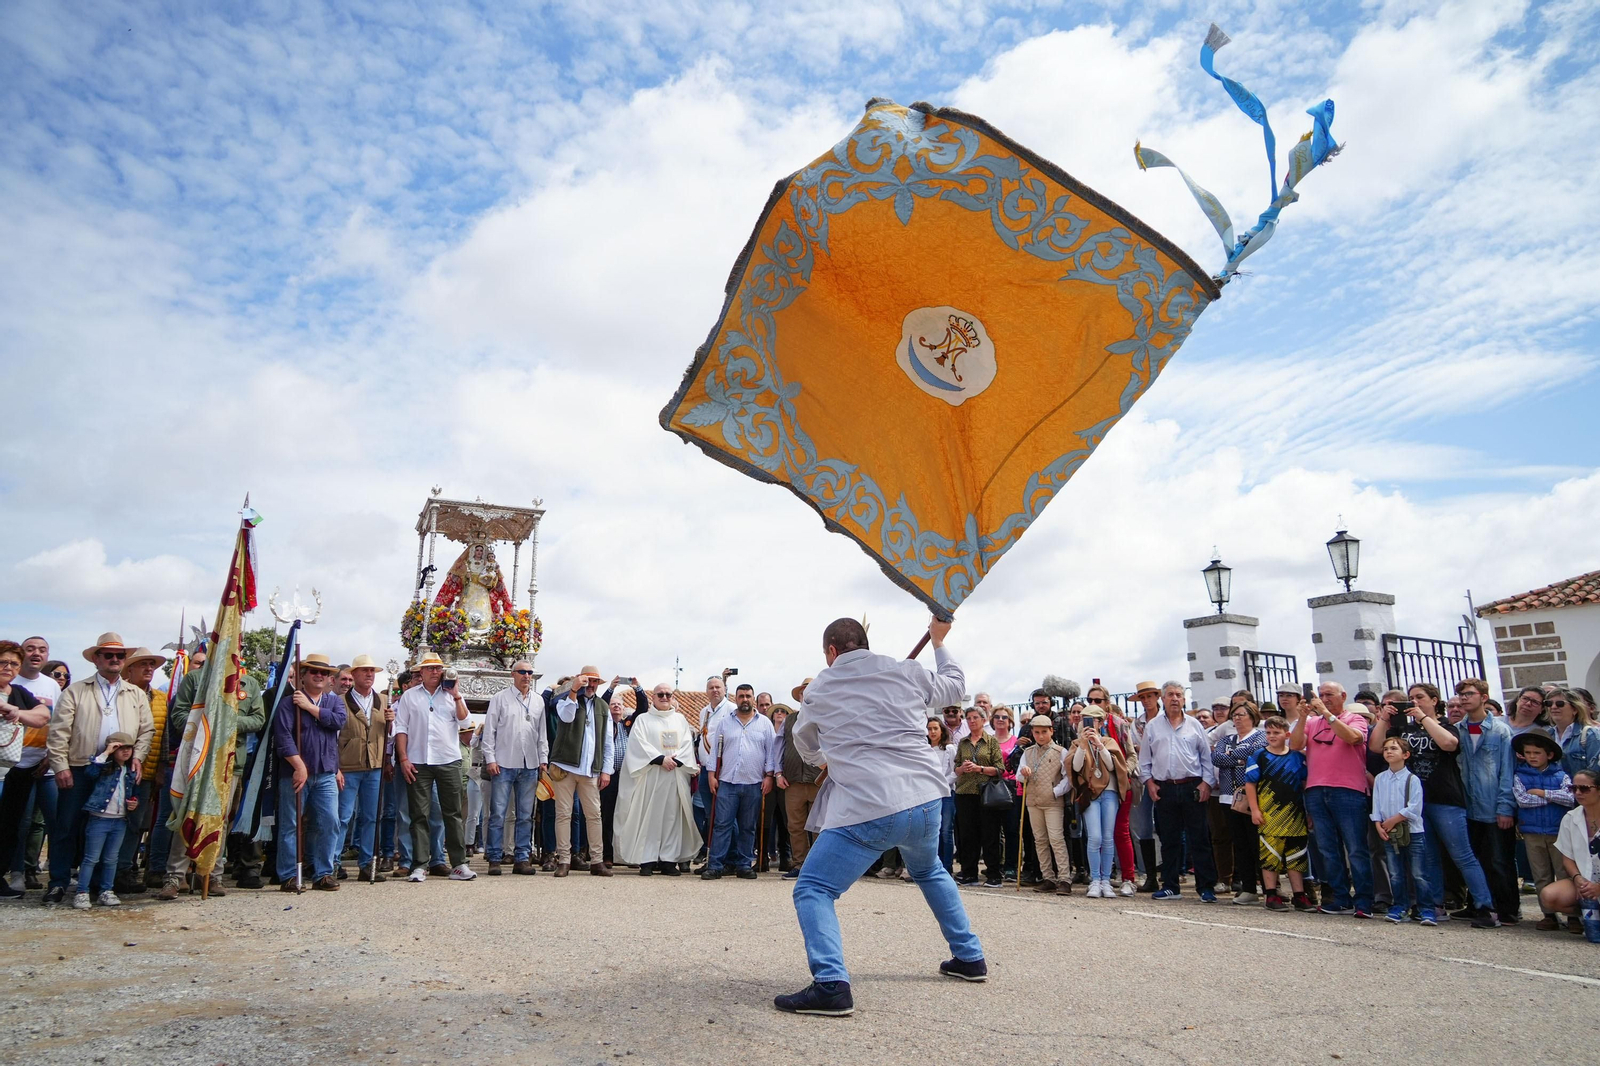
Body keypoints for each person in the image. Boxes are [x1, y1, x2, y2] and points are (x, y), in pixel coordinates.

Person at [775, 616, 984, 1017]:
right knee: (931, 872)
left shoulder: (819, 687)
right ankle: (969, 957)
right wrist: (939, 642)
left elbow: (805, 743)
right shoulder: (904, 670)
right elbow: (955, 686)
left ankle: (831, 985)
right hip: (925, 801)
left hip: (868, 806)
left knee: (813, 889)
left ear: (831, 651)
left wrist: (828, 760)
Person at [1369, 684, 1499, 928]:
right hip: (1413, 804)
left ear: (1434, 700)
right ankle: (1434, 904)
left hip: (1444, 799)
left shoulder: (1447, 725)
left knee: (1462, 854)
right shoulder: (1403, 729)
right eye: (1411, 698)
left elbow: (1449, 744)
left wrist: (1424, 718)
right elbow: (1376, 747)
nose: (1414, 702)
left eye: (1420, 697)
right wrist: (1384, 720)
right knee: (1428, 858)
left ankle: (1485, 907)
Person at [44, 632, 154, 905]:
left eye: (119, 655)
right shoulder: (76, 690)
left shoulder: (136, 694)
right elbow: (58, 732)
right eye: (109, 655)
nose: (115, 659)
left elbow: (146, 730)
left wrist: (138, 757)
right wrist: (60, 765)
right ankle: (58, 882)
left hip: (117, 771)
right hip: (81, 766)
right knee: (67, 826)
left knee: (111, 827)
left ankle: (96, 886)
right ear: (96, 659)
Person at [1290, 682, 1373, 918]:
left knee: (1356, 848)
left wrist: (1326, 713)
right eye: (1321, 695)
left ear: (1343, 696)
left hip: (1348, 790)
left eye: (1329, 695)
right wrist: (1303, 717)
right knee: (1328, 849)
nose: (1324, 698)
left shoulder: (1354, 718)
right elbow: (1295, 745)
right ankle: (1340, 897)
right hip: (1317, 790)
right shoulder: (1313, 722)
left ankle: (1364, 900)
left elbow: (1354, 738)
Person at [393, 652, 476, 883]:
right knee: (419, 814)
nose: (435, 672)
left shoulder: (451, 695)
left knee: (453, 813)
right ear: (420, 672)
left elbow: (465, 722)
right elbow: (401, 728)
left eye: (438, 668)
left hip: (448, 759)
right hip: (418, 760)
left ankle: (459, 864)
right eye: (429, 668)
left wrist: (457, 695)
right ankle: (419, 865)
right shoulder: (409, 696)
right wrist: (403, 759)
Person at [271, 653, 347, 892]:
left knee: (330, 821)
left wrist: (310, 709)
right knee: (291, 824)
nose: (319, 676)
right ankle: (289, 875)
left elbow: (338, 722)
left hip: (325, 773)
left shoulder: (333, 702)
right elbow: (283, 738)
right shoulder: (287, 703)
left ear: (328, 679)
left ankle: (323, 873)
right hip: (295, 773)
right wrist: (299, 766)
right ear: (302, 676)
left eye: (324, 673)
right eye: (314, 671)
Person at [1139, 680, 1218, 902]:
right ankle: (1171, 886)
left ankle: (1206, 887)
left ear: (1184, 699)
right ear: (1163, 699)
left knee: (1199, 839)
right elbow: (1144, 760)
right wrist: (1150, 784)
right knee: (1169, 839)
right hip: (1165, 789)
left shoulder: (1195, 725)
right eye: (1171, 694)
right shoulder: (1153, 727)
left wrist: (1206, 783)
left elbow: (1206, 759)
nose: (1175, 698)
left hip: (1193, 787)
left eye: (1179, 695)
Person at [613, 682, 700, 875]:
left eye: (668, 694)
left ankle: (669, 860)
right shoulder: (643, 720)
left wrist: (675, 761)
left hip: (674, 776)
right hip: (651, 775)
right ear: (653, 697)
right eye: (660, 694)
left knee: (672, 818)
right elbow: (637, 743)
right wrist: (660, 759)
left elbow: (687, 743)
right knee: (649, 818)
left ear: (672, 697)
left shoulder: (680, 719)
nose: (664, 698)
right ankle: (647, 860)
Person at [1454, 678, 1519, 923]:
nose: (1464, 698)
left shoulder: (1500, 731)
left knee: (1499, 860)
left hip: (1493, 805)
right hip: (1467, 806)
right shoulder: (1458, 729)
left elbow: (1507, 772)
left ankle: (1507, 908)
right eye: (1461, 694)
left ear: (1483, 697)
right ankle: (1478, 904)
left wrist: (1505, 807)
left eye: (1469, 694)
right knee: (1474, 857)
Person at [481, 660, 548, 876]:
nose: (526, 676)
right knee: (498, 814)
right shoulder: (500, 698)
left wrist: (543, 759)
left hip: (529, 764)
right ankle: (494, 857)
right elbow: (489, 731)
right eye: (522, 672)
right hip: (503, 763)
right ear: (513, 674)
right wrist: (490, 758)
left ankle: (522, 858)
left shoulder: (538, 702)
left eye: (529, 672)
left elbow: (542, 734)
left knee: (525, 815)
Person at [702, 683, 775, 879]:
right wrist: (711, 774)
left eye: (748, 696)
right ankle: (715, 865)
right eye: (741, 696)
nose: (744, 699)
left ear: (753, 699)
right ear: (736, 698)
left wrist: (769, 776)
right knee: (722, 825)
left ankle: (744, 865)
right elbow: (715, 752)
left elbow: (772, 752)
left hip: (754, 783)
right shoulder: (725, 722)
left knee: (748, 826)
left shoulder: (765, 724)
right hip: (727, 782)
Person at [110, 647, 168, 895]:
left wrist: (160, 769)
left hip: (146, 771)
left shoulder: (162, 699)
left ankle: (124, 870)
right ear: (128, 669)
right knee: (108, 821)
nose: (149, 669)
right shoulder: (118, 695)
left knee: (135, 824)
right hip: (114, 770)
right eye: (143, 664)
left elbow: (164, 736)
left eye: (152, 665)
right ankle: (104, 871)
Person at [549, 666, 615, 877]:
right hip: (566, 767)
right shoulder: (565, 699)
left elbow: (607, 742)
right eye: (588, 681)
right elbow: (567, 717)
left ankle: (596, 860)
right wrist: (573, 690)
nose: (591, 685)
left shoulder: (603, 706)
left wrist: (606, 770)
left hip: (590, 769)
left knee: (594, 815)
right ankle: (564, 860)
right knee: (563, 815)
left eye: (595, 682)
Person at [0, 641, 53, 898]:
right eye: (3, 662)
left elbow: (42, 715)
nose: (8, 667)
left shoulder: (19, 693)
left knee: (9, 824)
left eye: (13, 663)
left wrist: (15, 711)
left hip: (15, 770)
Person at [1244, 715, 1312, 912]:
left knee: (1297, 856)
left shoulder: (1297, 758)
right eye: (1268, 732)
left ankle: (1299, 895)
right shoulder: (1259, 756)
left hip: (1295, 815)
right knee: (1270, 856)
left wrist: (1308, 812)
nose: (1272, 736)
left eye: (1276, 732)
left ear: (1287, 734)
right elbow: (1250, 784)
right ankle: (1271, 894)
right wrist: (1255, 810)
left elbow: (1304, 784)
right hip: (1269, 815)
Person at [1512, 727, 1575, 930]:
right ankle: (1548, 914)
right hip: (1532, 833)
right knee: (1541, 874)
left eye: (1537, 753)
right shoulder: (1520, 775)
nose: (1532, 757)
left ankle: (1572, 914)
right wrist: (1552, 797)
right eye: (1528, 753)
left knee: (1563, 873)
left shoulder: (1561, 775)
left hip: (1559, 832)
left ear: (1549, 754)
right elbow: (1522, 800)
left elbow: (1569, 798)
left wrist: (1541, 792)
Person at [335, 654, 390, 883]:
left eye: (372, 671)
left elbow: (390, 735)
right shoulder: (339, 700)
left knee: (371, 817)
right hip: (348, 765)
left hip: (374, 766)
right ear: (354, 674)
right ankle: (333, 863)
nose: (369, 674)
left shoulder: (383, 702)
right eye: (364, 671)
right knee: (342, 816)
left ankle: (368, 863)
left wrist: (391, 721)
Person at [73, 732, 140, 909]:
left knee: (111, 858)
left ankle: (106, 890)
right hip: (99, 819)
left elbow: (132, 793)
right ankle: (82, 892)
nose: (126, 751)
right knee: (91, 858)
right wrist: (105, 753)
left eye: (129, 748)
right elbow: (90, 772)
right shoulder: (104, 767)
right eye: (120, 748)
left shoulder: (129, 770)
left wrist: (133, 803)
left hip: (120, 820)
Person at [1067, 706, 1128, 899]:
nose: (1089, 723)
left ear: (1101, 723)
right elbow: (1076, 768)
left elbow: (1113, 766)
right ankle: (1094, 879)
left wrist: (1099, 746)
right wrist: (1084, 744)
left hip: (1109, 794)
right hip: (1090, 794)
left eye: (1093, 720)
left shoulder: (1108, 741)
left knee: (1108, 837)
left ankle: (1105, 880)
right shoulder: (1077, 743)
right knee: (1094, 837)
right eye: (1085, 719)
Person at [1371, 736, 1429, 924]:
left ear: (1405, 754)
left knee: (1418, 873)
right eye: (1386, 748)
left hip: (1413, 831)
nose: (1389, 751)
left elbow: (1415, 807)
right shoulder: (1380, 778)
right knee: (1395, 872)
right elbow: (1376, 804)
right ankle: (1399, 906)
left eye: (1394, 748)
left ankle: (1424, 908)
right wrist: (1378, 824)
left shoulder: (1412, 779)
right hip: (1389, 832)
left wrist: (1395, 819)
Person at [1212, 701, 1266, 905]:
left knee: (1256, 843)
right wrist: (1240, 760)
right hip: (1228, 798)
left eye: (1241, 714)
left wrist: (1232, 758)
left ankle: (1268, 885)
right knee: (1240, 844)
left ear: (1252, 717)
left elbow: (1256, 753)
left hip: (1252, 797)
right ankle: (1249, 887)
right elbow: (1216, 758)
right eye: (1234, 715)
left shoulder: (1259, 736)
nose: (1236, 718)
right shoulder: (1227, 739)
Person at [1538, 768, 1600, 937]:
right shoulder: (1570, 818)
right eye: (1574, 788)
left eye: (1585, 788)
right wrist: (1578, 880)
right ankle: (1589, 913)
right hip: (1586, 880)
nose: (1578, 793)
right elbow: (1567, 858)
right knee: (1549, 896)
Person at [1018, 714, 1069, 893]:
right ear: (1032, 732)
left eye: (1044, 732)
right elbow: (1018, 775)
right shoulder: (1027, 752)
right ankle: (1048, 877)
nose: (1040, 736)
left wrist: (1056, 791)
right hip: (1033, 800)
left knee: (1056, 839)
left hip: (1053, 802)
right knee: (1039, 840)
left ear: (1051, 731)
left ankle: (1064, 878)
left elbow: (1067, 778)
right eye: (1037, 732)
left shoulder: (1060, 751)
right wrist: (1023, 772)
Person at [953, 707, 1003, 887]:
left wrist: (979, 768)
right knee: (967, 835)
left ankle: (993, 875)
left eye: (975, 718)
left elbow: (999, 769)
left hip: (986, 793)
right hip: (965, 792)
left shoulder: (991, 742)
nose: (972, 721)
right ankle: (969, 873)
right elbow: (956, 767)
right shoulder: (963, 743)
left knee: (989, 834)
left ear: (983, 720)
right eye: (968, 718)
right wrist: (962, 769)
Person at [779, 690, 826, 881]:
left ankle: (817, 866)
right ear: (799, 697)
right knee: (795, 826)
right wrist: (777, 773)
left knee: (819, 826)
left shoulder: (826, 717)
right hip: (793, 781)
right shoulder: (789, 720)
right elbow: (778, 747)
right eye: (803, 693)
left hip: (819, 780)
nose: (806, 696)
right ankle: (799, 864)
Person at [693, 673, 735, 847]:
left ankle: (730, 857)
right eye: (711, 688)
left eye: (718, 687)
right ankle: (715, 855)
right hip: (705, 769)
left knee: (725, 816)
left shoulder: (732, 709)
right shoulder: (705, 711)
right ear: (706, 691)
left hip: (722, 770)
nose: (715, 690)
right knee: (711, 816)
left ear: (725, 689)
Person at [1547, 689, 1600, 781]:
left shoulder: (1590, 735)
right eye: (1549, 703)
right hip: (1552, 793)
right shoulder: (1547, 736)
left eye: (1560, 704)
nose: (1553, 707)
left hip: (1580, 792)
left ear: (1574, 709)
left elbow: (1595, 773)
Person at [927, 717, 956, 875]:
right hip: (928, 795)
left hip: (946, 794)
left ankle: (946, 867)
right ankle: (932, 867)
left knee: (945, 831)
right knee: (931, 832)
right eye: (929, 729)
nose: (932, 732)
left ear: (941, 730)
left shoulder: (949, 749)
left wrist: (943, 783)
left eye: (935, 729)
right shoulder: (924, 749)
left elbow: (955, 771)